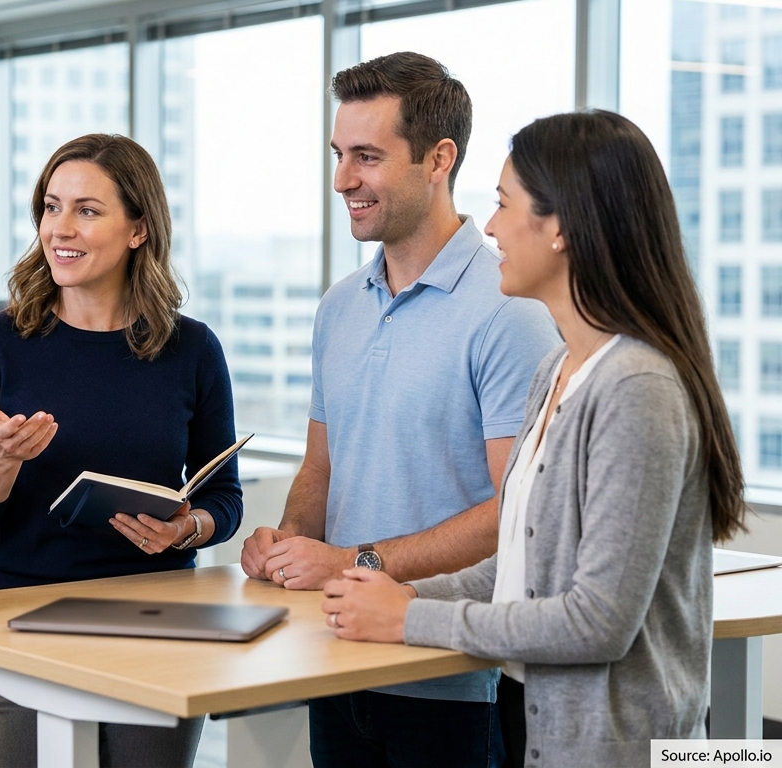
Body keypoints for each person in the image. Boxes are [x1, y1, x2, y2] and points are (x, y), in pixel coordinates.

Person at [318, 110, 748, 768]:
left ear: (561, 229)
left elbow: (596, 621)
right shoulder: (559, 370)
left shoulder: (637, 387)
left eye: (502, 203)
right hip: (554, 735)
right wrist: (387, 590)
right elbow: (519, 570)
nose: (488, 226)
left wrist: (407, 619)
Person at [238, 52, 560, 767]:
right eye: (337, 155)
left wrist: (351, 562)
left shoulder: (511, 310)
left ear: (438, 158)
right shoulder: (338, 307)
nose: (341, 180)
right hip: (337, 651)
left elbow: (518, 511)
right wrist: (288, 544)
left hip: (448, 673)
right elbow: (323, 465)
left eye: (366, 157)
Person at [0, 133, 243, 768]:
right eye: (52, 207)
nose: (60, 228)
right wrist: (2, 459)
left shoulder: (192, 349)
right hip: (23, 616)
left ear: (138, 229)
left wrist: (187, 528)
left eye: (86, 209)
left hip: (156, 617)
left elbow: (225, 498)